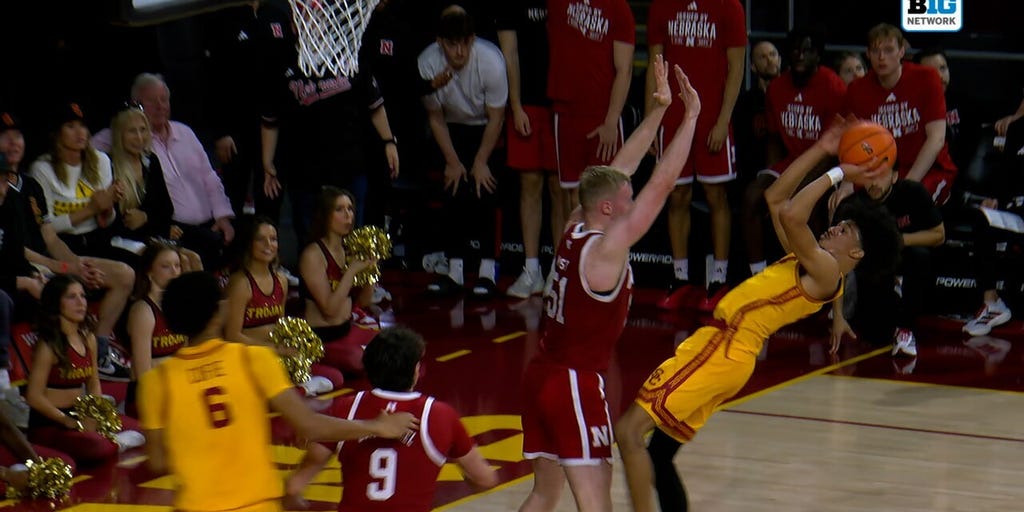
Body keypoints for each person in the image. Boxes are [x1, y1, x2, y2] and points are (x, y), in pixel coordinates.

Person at [616, 116, 902, 512]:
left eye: (845, 230)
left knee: (628, 431)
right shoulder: (808, 259)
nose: (834, 229)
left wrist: (839, 171)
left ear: (856, 254)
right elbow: (775, 200)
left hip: (725, 346)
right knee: (660, 456)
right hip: (726, 350)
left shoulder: (827, 271)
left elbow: (792, 216)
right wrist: (821, 149)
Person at [518, 56, 698, 512]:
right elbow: (661, 183)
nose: (631, 198)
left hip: (541, 373)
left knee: (544, 493)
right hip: (575, 383)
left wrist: (658, 110)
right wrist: (690, 117)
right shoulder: (606, 249)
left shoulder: (576, 225)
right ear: (608, 210)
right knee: (596, 501)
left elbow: (620, 171)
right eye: (626, 200)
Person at [137, 271, 418, 512]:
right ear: (218, 311)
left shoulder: (154, 382)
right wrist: (375, 426)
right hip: (258, 503)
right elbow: (310, 426)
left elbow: (159, 462)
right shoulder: (251, 359)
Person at [285, 326, 497, 510]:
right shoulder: (439, 414)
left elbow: (295, 484)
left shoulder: (345, 409)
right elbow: (485, 479)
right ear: (415, 370)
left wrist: (296, 498)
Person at [2, 111, 134, 382]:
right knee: (68, 289)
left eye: (18, 136)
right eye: (5, 137)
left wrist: (76, 265)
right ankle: (55, 371)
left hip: (48, 261)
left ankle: (99, 352)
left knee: (124, 274)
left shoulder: (31, 185)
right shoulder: (6, 188)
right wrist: (64, 267)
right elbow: (15, 250)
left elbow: (50, 237)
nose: (14, 142)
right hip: (25, 267)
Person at [647, 0, 747, 311]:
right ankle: (680, 279)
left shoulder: (729, 7)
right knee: (677, 195)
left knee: (716, 195)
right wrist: (652, 123)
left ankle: (718, 279)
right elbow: (655, 67)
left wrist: (722, 120)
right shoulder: (662, 6)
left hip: (711, 117)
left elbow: (736, 69)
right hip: (673, 115)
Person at [93, 74, 237, 268]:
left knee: (226, 242)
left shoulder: (181, 135)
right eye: (152, 101)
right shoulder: (112, 151)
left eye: (164, 99)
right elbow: (86, 150)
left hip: (199, 224)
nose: (160, 106)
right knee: (188, 258)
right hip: (153, 231)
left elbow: (209, 178)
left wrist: (223, 216)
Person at [418, 5, 508, 298]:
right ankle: (454, 270)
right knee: (452, 188)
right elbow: (435, 117)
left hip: (485, 126)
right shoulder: (428, 63)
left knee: (485, 189)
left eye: (464, 44)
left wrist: (481, 161)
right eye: (451, 44)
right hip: (451, 127)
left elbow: (497, 116)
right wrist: (453, 161)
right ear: (440, 42)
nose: (459, 52)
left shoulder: (491, 61)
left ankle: (487, 270)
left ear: (472, 40)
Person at [744, 28, 847, 276]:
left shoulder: (833, 86)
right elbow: (773, 138)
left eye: (808, 51)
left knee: (805, 201)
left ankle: (812, 276)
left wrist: (803, 182)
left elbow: (836, 147)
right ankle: (759, 275)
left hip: (826, 164)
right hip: (790, 161)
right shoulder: (777, 87)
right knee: (751, 198)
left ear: (818, 55)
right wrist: (768, 173)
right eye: (795, 51)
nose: (801, 56)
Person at [829, 151, 944, 357]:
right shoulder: (852, 207)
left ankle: (906, 328)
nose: (874, 182)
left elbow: (939, 235)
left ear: (894, 176)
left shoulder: (913, 193)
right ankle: (884, 307)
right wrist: (837, 315)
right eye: (869, 176)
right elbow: (835, 260)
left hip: (906, 257)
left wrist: (898, 240)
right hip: (872, 267)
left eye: (881, 175)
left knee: (921, 255)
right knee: (876, 335)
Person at [25, 274, 146, 465]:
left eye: (82, 296)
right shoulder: (47, 346)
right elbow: (33, 396)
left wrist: (96, 413)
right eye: (71, 297)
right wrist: (68, 422)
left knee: (140, 428)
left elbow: (93, 381)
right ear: (56, 303)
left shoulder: (88, 338)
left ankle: (108, 439)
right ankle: (115, 444)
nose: (80, 302)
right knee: (96, 447)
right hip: (51, 424)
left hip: (79, 414)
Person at [223, 216, 343, 394]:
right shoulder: (240, 283)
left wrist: (295, 348)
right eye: (260, 239)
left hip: (277, 354)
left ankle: (293, 390)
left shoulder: (281, 280)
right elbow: (232, 336)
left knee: (336, 377)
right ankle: (293, 391)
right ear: (248, 243)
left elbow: (281, 327)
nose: (268, 245)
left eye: (273, 239)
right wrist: (275, 350)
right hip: (250, 357)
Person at [546, 0, 635, 239]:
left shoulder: (618, 8)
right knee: (571, 196)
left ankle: (611, 268)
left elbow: (624, 69)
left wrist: (611, 120)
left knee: (609, 197)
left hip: (602, 116)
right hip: (566, 111)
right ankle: (572, 263)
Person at [844, 23, 957, 205]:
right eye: (875, 51)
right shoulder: (857, 89)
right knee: (850, 206)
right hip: (881, 173)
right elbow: (854, 145)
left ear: (901, 52)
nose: (882, 58)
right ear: (867, 54)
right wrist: (846, 185)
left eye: (889, 50)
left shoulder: (927, 78)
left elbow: (936, 139)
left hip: (930, 169)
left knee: (908, 207)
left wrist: (905, 186)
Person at [497, 0, 559, 299]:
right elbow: (509, 52)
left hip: (561, 102)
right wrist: (516, 104)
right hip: (528, 103)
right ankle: (532, 269)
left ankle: (559, 273)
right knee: (530, 184)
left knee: (560, 188)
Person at [298, 187, 379, 378]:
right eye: (339, 210)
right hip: (323, 336)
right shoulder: (313, 255)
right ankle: (313, 366)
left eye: (350, 209)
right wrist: (351, 271)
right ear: (325, 215)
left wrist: (370, 271)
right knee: (360, 360)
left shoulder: (349, 250)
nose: (347, 215)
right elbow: (329, 310)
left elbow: (364, 302)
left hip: (347, 329)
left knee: (400, 348)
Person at [124, 240, 186, 415]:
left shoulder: (181, 306)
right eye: (166, 267)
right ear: (149, 272)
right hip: (148, 395)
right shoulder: (143, 311)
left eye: (177, 266)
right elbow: (144, 374)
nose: (175, 272)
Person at [914, 47, 980, 173]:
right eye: (931, 71)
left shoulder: (965, 102)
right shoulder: (911, 107)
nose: (939, 75)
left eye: (942, 68)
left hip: (961, 172)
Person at [732, 40, 781, 182]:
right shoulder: (744, 103)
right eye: (763, 57)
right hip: (752, 173)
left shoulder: (791, 98)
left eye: (773, 55)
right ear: (753, 66)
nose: (770, 60)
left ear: (780, 59)